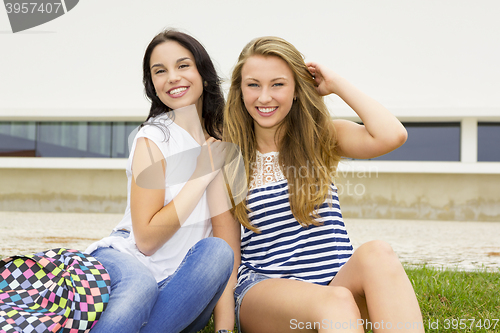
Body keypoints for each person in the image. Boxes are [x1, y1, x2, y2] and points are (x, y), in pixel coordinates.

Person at [220, 36, 425, 332]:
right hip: (264, 292)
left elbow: (392, 135)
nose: (264, 97)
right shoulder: (229, 156)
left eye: (278, 84)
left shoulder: (319, 138)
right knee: (335, 302)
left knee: (377, 254)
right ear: (240, 91)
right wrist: (223, 328)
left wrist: (337, 84)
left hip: (334, 284)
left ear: (296, 90)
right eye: (253, 85)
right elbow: (229, 255)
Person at [85, 29, 236, 333]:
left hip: (179, 283)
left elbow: (225, 243)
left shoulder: (222, 144)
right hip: (128, 263)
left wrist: (224, 329)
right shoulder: (153, 138)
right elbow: (147, 240)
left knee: (218, 253)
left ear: (202, 72)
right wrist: (201, 173)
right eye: (160, 71)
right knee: (141, 285)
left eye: (183, 66)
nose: (172, 77)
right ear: (152, 84)